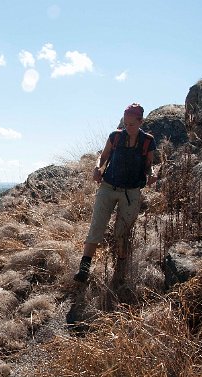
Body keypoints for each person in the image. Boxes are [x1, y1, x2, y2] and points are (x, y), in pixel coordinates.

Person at [73, 103, 157, 282]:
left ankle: (119, 272)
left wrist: (151, 175)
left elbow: (149, 166)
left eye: (131, 124)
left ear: (140, 121)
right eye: (125, 123)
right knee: (96, 227)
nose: (127, 127)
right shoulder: (116, 136)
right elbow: (102, 157)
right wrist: (97, 168)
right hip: (108, 187)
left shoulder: (148, 141)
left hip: (132, 192)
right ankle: (84, 270)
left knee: (123, 233)